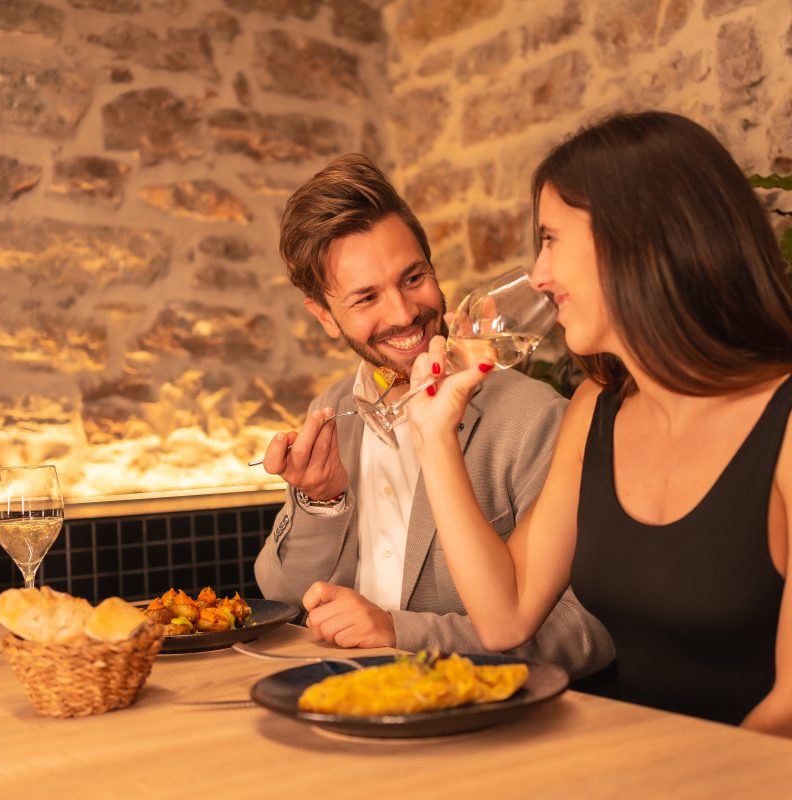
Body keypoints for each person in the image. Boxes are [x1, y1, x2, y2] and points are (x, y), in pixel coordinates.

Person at [405, 111, 792, 734]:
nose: (537, 274)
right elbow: (505, 617)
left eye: (551, 238)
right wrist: (434, 436)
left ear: (638, 238)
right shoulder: (597, 410)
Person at [254, 153, 614, 678]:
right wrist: (320, 503)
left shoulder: (536, 418)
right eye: (367, 297)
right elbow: (283, 601)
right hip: (351, 707)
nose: (403, 314)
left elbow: (585, 634)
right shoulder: (332, 410)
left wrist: (401, 633)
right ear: (325, 316)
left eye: (413, 277)